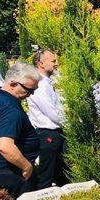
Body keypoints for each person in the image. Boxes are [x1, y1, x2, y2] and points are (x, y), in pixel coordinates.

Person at [0, 62, 41, 200]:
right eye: (29, 90)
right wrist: (26, 166)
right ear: (13, 83)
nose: (31, 94)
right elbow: (5, 146)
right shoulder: (9, 108)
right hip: (12, 174)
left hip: (1, 170)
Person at [27, 50, 67, 189]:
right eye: (53, 61)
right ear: (41, 63)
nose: (56, 63)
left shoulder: (48, 83)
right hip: (48, 134)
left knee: (61, 173)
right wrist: (71, 125)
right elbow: (53, 113)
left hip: (56, 132)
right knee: (46, 175)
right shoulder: (39, 85)